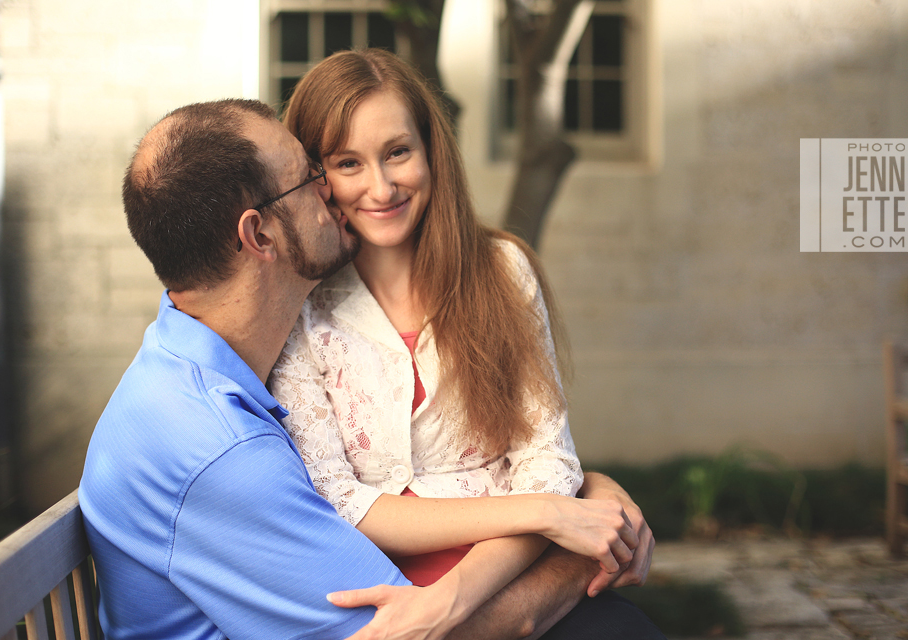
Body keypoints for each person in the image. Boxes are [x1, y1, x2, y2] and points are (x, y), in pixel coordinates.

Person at [78, 97, 659, 640]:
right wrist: (573, 536)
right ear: (259, 234)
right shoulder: (218, 449)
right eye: (313, 177)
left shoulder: (192, 371)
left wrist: (582, 491)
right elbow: (416, 631)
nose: (337, 194)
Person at [269, 49, 663, 638]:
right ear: (317, 177)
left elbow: (547, 461)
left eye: (397, 152)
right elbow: (334, 497)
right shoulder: (297, 306)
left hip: (509, 576)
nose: (381, 187)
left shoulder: (503, 271)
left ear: (431, 150)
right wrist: (551, 512)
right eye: (348, 163)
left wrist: (454, 598)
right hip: (380, 600)